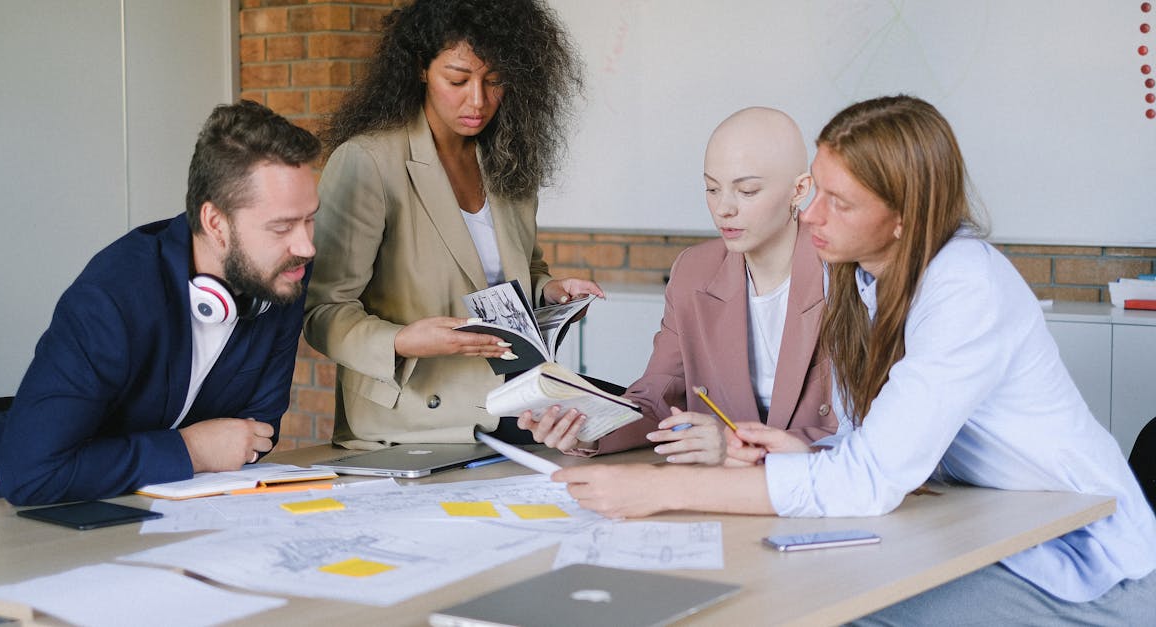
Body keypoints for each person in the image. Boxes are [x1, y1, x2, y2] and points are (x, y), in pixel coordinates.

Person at [554, 95, 1156, 623]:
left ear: (902, 218)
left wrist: (663, 491)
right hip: (987, 528)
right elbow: (875, 448)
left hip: (1083, 565)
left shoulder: (966, 288)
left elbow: (867, 481)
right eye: (815, 189)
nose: (810, 213)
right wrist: (810, 450)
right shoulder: (863, 282)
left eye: (838, 202)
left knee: (830, 612)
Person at [0, 101, 321, 505]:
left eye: (309, 219)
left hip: (143, 508)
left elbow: (253, 437)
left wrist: (189, 451)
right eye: (282, 226)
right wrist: (192, 450)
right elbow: (34, 473)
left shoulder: (282, 274)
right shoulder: (114, 296)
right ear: (216, 223)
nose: (306, 245)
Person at [304, 0, 602, 449]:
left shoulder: (507, 159)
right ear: (421, 68)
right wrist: (403, 340)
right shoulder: (368, 162)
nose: (478, 100)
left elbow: (518, 272)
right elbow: (321, 312)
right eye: (458, 80)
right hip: (416, 420)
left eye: (495, 80)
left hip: (513, 401)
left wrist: (550, 293)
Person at [519, 107, 836, 464]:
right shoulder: (694, 271)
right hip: (720, 493)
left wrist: (740, 447)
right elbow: (657, 401)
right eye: (712, 188)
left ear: (800, 189)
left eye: (747, 191)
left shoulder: (847, 273)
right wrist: (586, 429)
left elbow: (878, 431)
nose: (724, 208)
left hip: (823, 491)